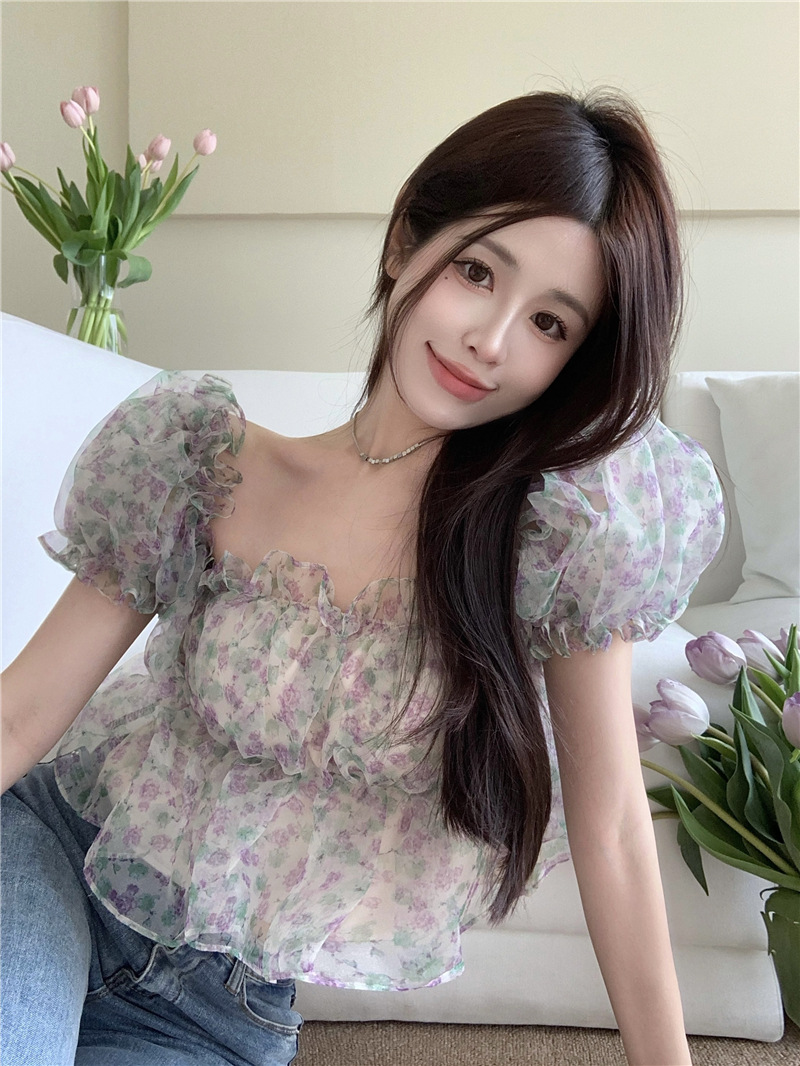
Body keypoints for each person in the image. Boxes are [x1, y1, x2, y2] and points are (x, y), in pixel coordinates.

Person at [1, 88, 724, 1066]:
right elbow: (24, 712)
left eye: (550, 323)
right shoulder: (199, 457)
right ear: (404, 243)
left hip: (213, 1012)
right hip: (47, 867)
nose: (491, 339)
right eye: (477, 271)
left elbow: (613, 830)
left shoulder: (550, 541)